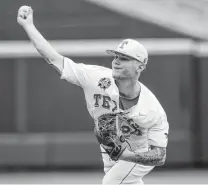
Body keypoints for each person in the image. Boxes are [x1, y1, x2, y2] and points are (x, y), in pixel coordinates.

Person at [17, 5, 169, 185]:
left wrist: (125, 154)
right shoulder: (95, 77)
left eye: (125, 58)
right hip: (109, 147)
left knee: (111, 183)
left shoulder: (152, 109)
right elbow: (54, 58)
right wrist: (28, 26)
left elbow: (159, 155)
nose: (117, 62)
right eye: (116, 57)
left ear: (140, 67)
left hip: (139, 151)